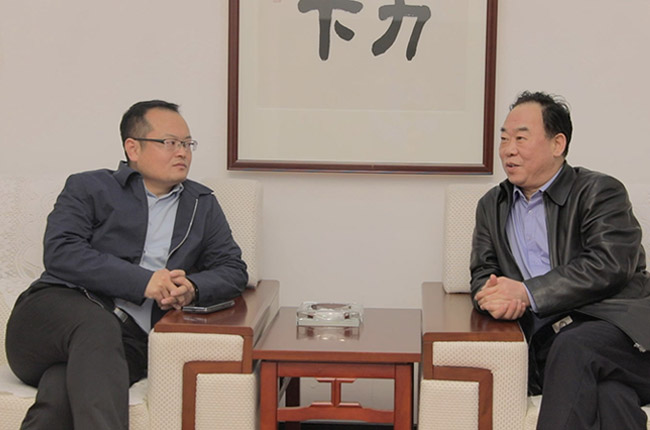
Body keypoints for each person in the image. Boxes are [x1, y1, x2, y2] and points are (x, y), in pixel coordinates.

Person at [5, 100, 248, 429]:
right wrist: (143, 281)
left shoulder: (201, 204)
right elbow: (61, 251)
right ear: (133, 148)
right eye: (170, 142)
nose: (183, 152)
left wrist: (192, 287)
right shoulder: (89, 187)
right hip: (50, 318)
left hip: (126, 343)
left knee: (61, 390)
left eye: (187, 143)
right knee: (97, 325)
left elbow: (233, 270)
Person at [470, 91, 650, 429]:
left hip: (622, 332)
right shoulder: (491, 205)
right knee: (611, 396)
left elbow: (610, 264)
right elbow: (483, 271)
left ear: (557, 144)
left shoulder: (600, 191)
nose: (508, 150)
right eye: (504, 139)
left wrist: (527, 293)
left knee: (575, 347)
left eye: (521, 138)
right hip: (550, 339)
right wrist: (492, 297)